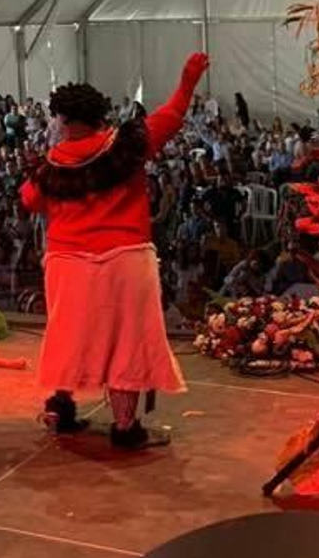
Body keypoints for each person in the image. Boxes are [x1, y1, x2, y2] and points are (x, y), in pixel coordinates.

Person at [26, 52, 208, 450]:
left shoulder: (51, 164)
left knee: (66, 337)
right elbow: (172, 115)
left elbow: (30, 201)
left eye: (55, 118)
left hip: (68, 262)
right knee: (129, 342)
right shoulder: (127, 145)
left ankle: (61, 408)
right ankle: (126, 428)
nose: (53, 125)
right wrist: (188, 82)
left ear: (67, 120)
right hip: (126, 260)